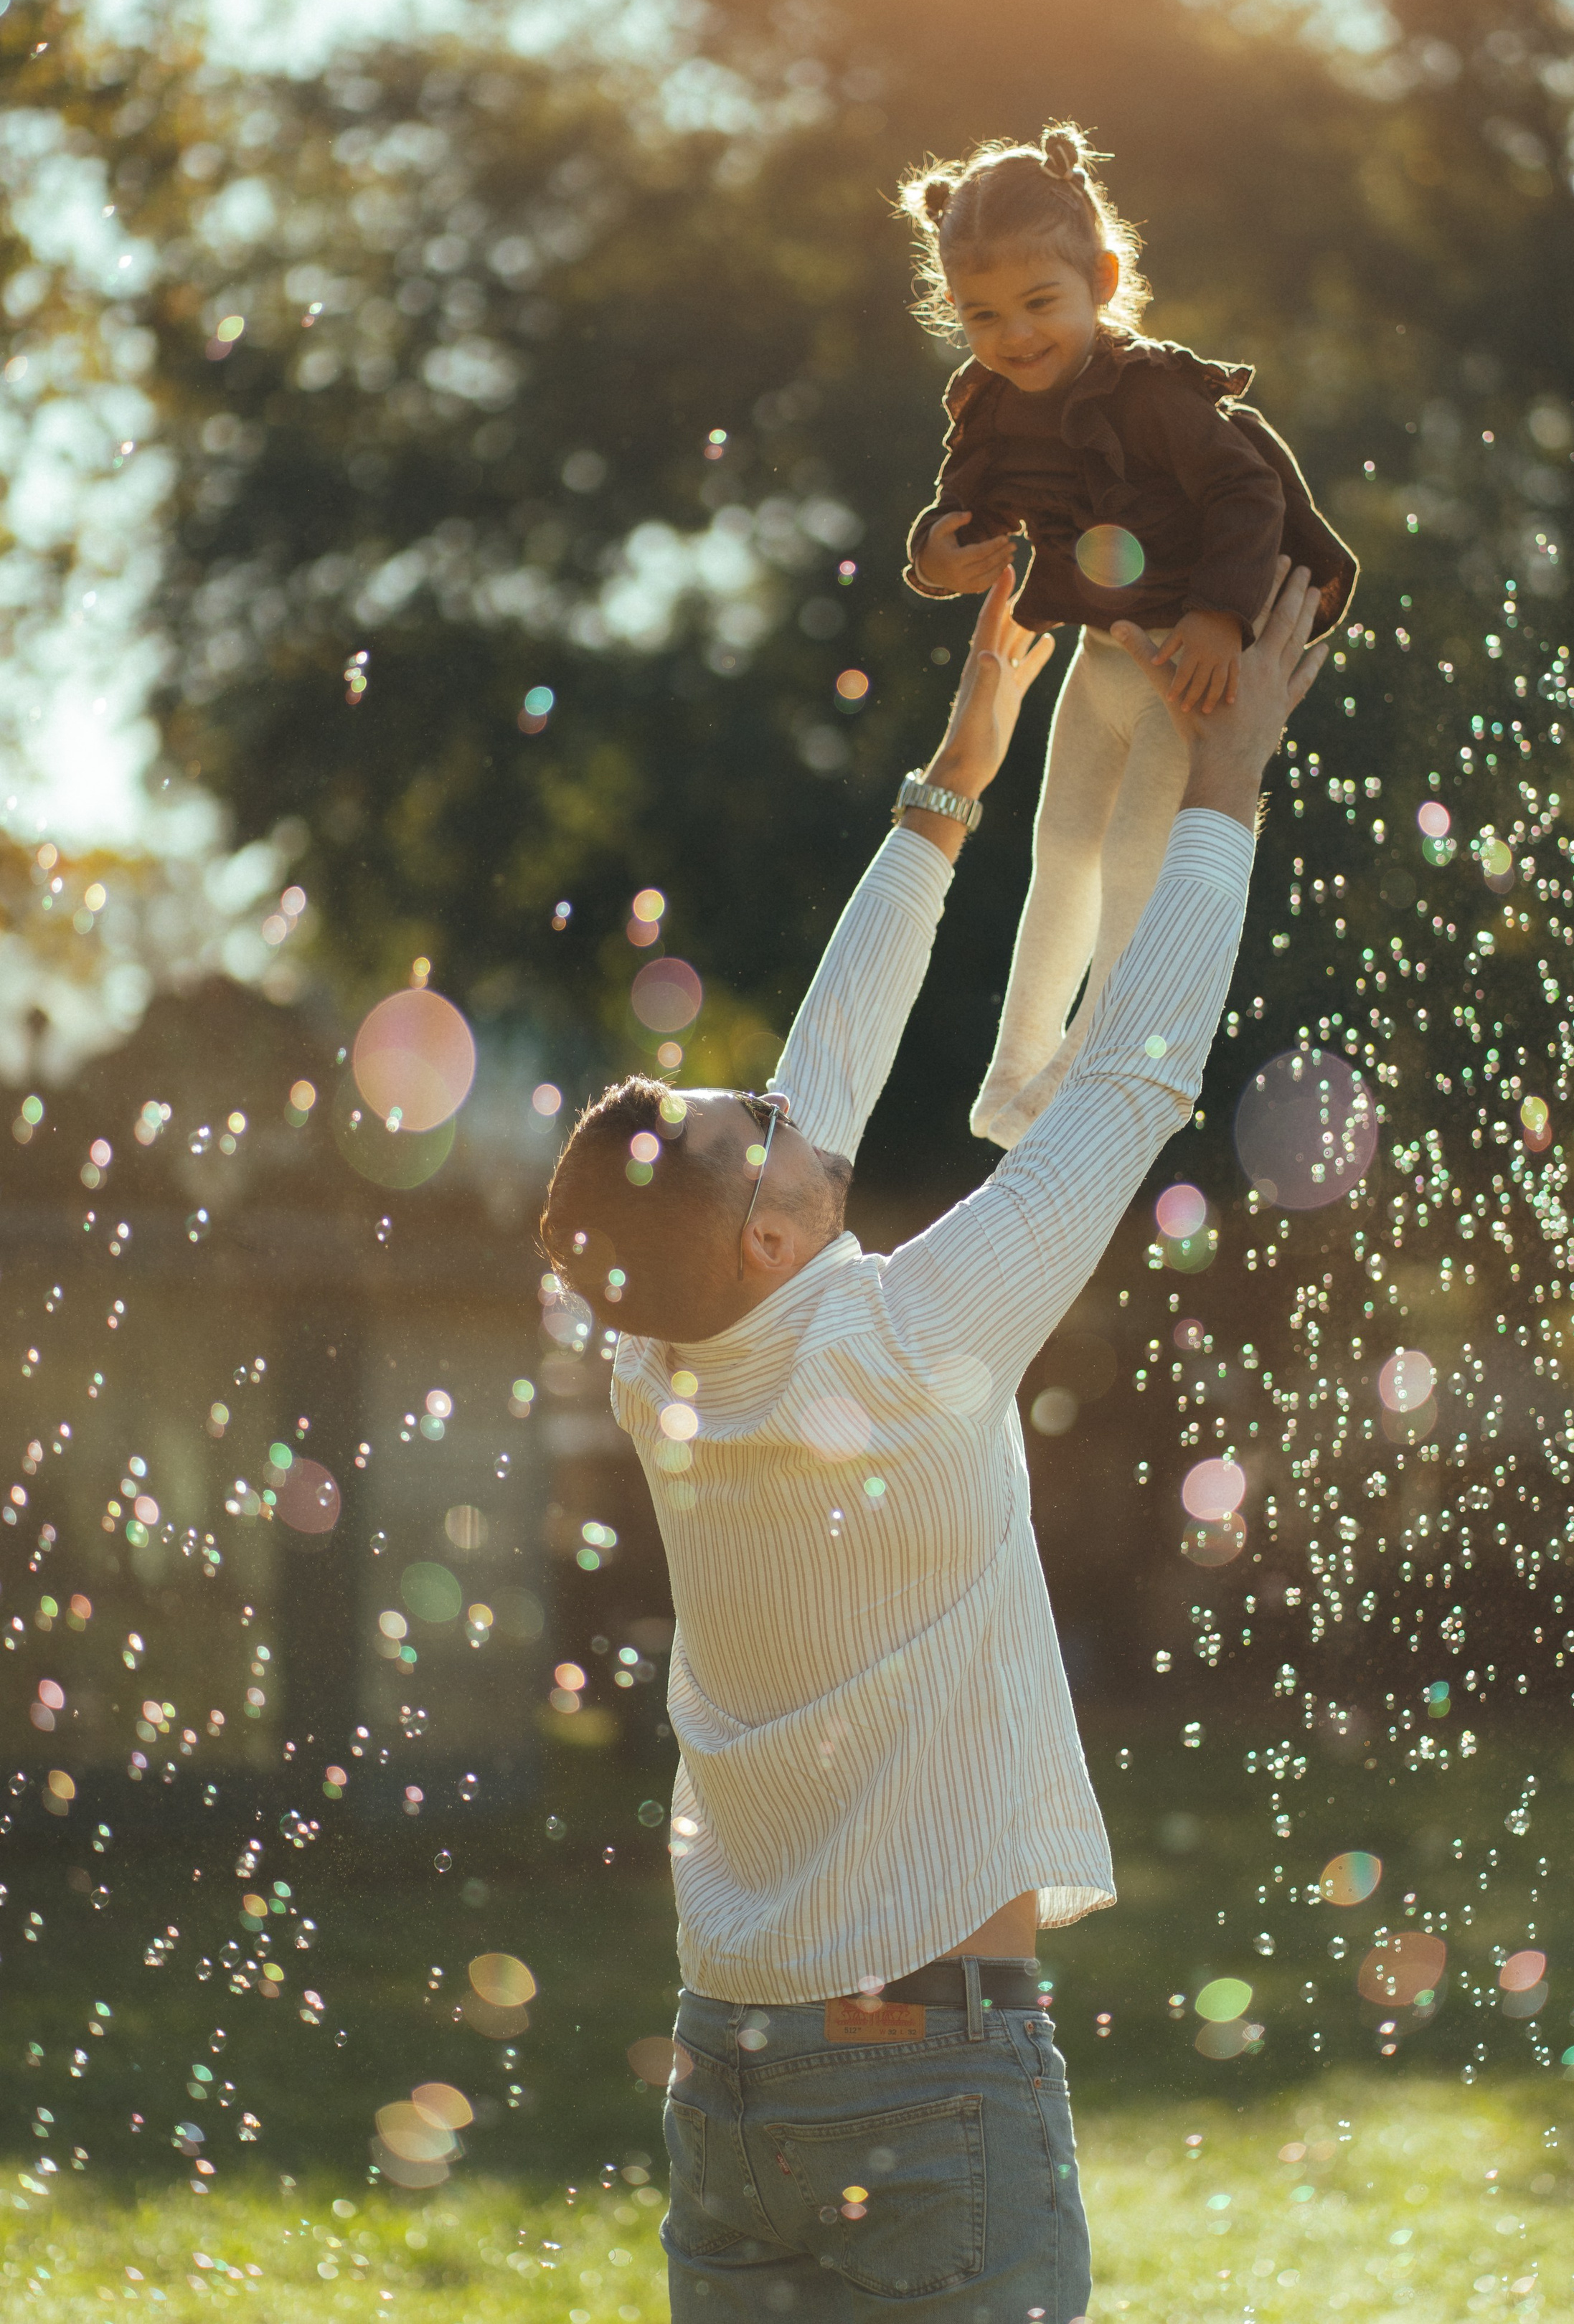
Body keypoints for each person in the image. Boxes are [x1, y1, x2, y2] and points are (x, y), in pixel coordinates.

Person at [539, 559, 1325, 2321]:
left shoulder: (656, 1376)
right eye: (758, 1130)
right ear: (760, 1236)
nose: (788, 1103)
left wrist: (954, 780)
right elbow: (1124, 1088)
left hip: (727, 2073)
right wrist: (1224, 790)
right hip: (925, 2080)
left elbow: (822, 1073)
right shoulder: (905, 1342)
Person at [900, 123, 1357, 1148]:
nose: (1015, 335)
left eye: (1039, 304)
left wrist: (1216, 615)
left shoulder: (1150, 395)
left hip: (1187, 665)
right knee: (1060, 843)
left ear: (1100, 280)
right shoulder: (994, 410)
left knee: (1136, 854)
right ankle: (1014, 1067)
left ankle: (1083, 1062)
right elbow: (955, 506)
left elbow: (1246, 488)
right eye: (982, 314)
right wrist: (939, 551)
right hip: (1103, 659)